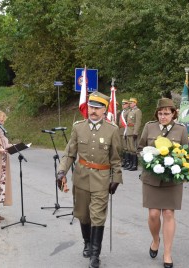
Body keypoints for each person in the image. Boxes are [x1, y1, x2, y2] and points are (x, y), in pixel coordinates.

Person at [57, 92, 122, 268]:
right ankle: (87, 242)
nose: (93, 111)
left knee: (97, 216)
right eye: (91, 107)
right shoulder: (78, 127)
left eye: (97, 108)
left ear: (104, 110)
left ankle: (95, 254)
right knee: (83, 214)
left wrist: (116, 178)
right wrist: (61, 171)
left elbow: (116, 158)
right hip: (81, 177)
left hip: (101, 180)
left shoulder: (112, 130)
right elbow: (70, 153)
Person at [138, 98, 188, 268]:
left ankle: (167, 253)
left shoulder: (181, 129)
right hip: (151, 178)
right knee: (153, 214)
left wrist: (177, 164)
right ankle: (155, 240)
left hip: (172, 179)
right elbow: (140, 148)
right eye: (160, 113)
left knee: (168, 213)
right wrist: (148, 159)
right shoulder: (149, 127)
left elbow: (186, 153)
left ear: (173, 113)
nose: (163, 117)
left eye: (166, 113)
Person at [125, 97, 142, 171]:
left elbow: (138, 122)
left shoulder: (137, 111)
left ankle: (135, 165)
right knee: (129, 149)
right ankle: (131, 163)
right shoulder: (130, 111)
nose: (130, 104)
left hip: (132, 132)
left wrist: (135, 132)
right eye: (129, 103)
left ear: (135, 103)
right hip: (128, 131)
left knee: (133, 149)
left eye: (131, 103)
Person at [118, 99, 130, 167]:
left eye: (124, 104)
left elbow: (127, 122)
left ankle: (127, 162)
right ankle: (123, 160)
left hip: (125, 130)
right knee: (122, 147)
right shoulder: (122, 112)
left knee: (126, 147)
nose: (123, 105)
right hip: (121, 130)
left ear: (127, 104)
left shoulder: (128, 111)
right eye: (122, 104)